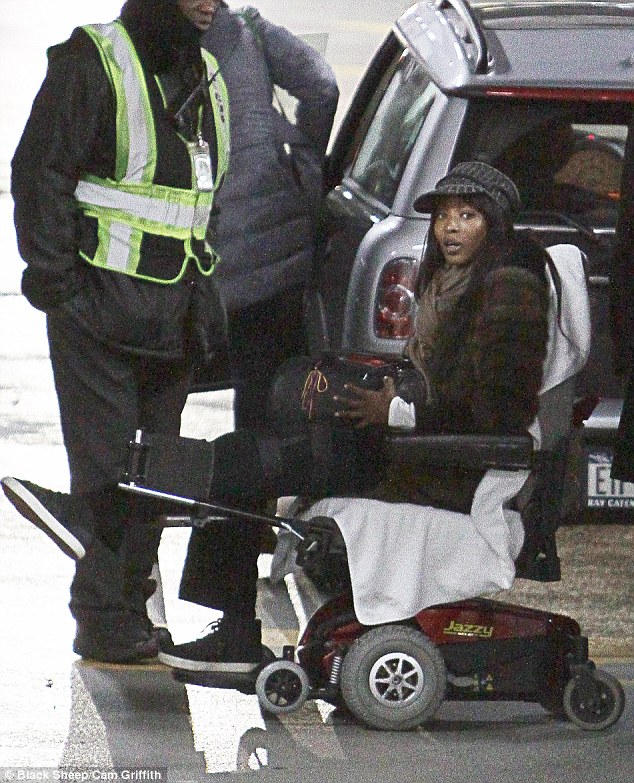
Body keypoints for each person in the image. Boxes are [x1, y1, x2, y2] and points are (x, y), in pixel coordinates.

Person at [3, 162, 553, 672]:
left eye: (468, 216)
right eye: (443, 215)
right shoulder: (452, 281)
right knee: (243, 455)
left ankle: (106, 521)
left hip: (440, 467)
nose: (450, 228)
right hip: (405, 445)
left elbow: (500, 407)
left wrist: (399, 410)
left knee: (247, 463)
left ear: (495, 225)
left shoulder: (510, 287)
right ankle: (150, 556)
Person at [3, 0, 230, 664]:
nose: (210, 3)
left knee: (156, 475)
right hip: (99, 310)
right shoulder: (95, 59)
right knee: (107, 470)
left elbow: (199, 200)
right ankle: (102, 617)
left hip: (174, 311)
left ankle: (129, 605)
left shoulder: (205, 70)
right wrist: (59, 284)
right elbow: (39, 171)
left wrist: (202, 300)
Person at [202, 3, 339, 430]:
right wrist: (304, 155)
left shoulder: (139, 50)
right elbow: (322, 85)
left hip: (195, 254)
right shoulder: (249, 34)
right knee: (262, 386)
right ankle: (256, 465)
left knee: (163, 390)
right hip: (275, 246)